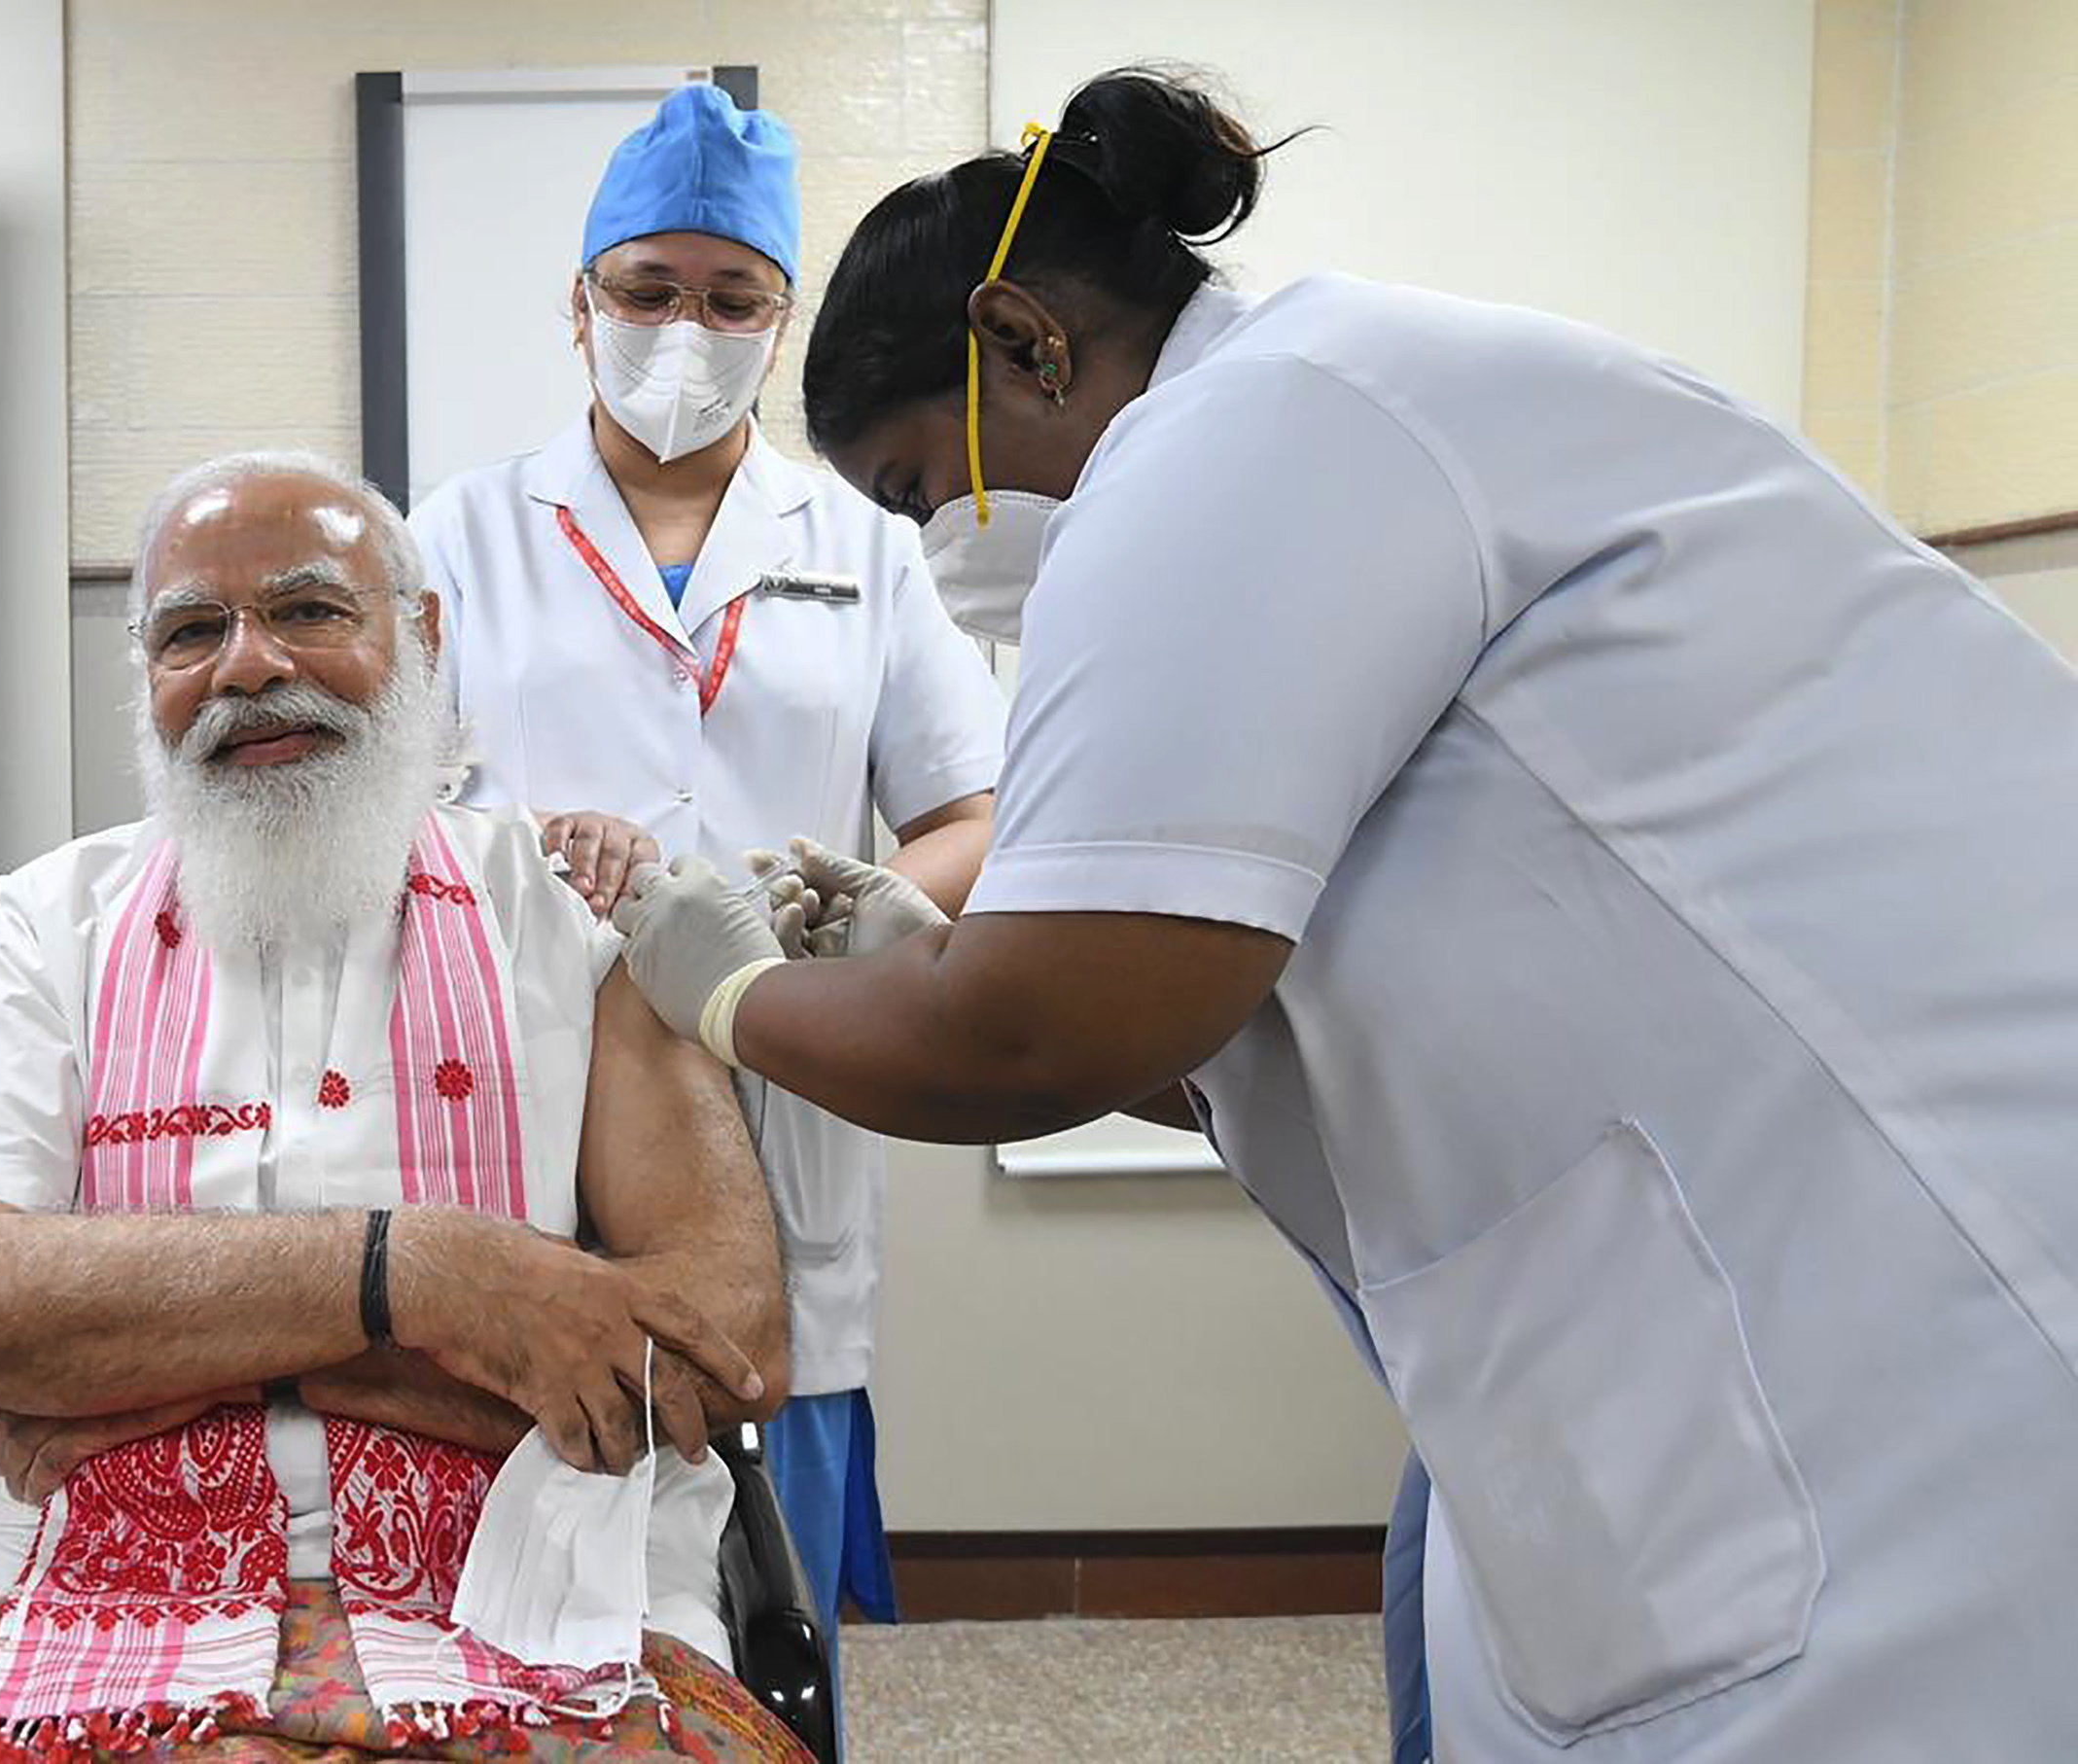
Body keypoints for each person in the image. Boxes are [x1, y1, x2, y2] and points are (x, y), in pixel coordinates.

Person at [613, 63, 2078, 1762]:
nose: (941, 545)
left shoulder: (1246, 440)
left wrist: (726, 987)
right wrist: (915, 957)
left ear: (1025, 343)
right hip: (1649, 1285)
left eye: (920, 485)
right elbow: (1216, 1027)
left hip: (1886, 1320)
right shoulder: (1329, 406)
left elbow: (1027, 1039)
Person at [0, 452, 809, 1763]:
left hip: (535, 1593)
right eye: (192, 631)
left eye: (308, 609)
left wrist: (164, 1355)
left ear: (421, 636)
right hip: (77, 1591)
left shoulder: (580, 919)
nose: (248, 666)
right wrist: (427, 1278)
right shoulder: (46, 929)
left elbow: (723, 1342)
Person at [409, 83, 1006, 1672]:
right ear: (580, 301)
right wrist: (527, 856)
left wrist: (839, 906)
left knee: (768, 1572)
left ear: (780, 320)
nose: (688, 329)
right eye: (649, 289)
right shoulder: (461, 535)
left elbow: (975, 808)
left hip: (787, 1066)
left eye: (733, 298)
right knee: (532, 1560)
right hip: (534, 1073)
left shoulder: (865, 542)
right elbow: (386, 820)